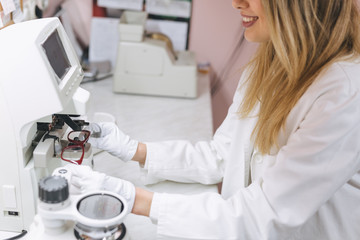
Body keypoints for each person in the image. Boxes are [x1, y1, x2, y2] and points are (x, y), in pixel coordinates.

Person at [65, 0, 360, 239]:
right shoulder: (270, 64)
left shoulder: (344, 94)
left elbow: (262, 216)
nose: (236, 3)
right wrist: (132, 149)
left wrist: (130, 198)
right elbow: (222, 155)